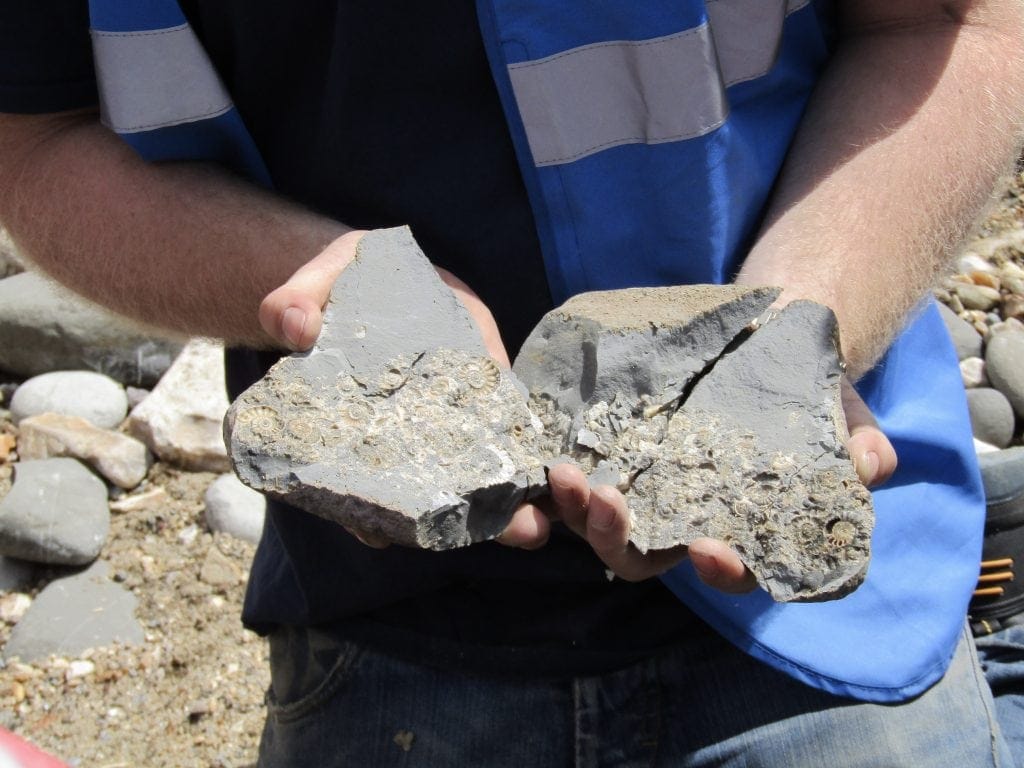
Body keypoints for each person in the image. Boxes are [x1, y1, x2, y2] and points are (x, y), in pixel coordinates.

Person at [1, 1, 1022, 765]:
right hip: (395, 627)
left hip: (833, 627)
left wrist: (806, 316)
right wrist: (323, 279)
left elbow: (958, 26)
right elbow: (35, 141)